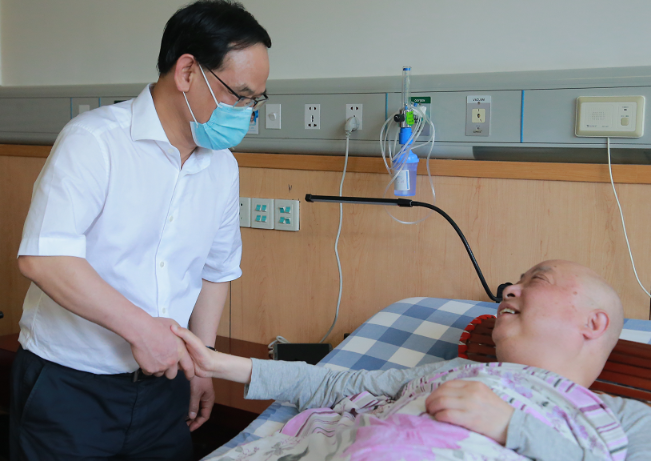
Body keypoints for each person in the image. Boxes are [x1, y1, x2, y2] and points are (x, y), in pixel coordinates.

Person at [10, 1, 271, 460]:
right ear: (187, 72)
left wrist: (202, 363)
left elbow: (216, 270)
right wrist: (141, 330)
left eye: (256, 101)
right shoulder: (94, 141)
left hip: (164, 388)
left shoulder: (222, 168)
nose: (246, 113)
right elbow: (45, 258)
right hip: (71, 386)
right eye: (239, 95)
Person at [173, 260, 651, 461]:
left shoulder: (625, 418)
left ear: (594, 323)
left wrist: (512, 427)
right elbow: (334, 387)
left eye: (537, 280)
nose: (509, 288)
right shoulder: (451, 373)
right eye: (515, 281)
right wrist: (215, 363)